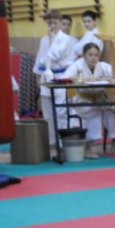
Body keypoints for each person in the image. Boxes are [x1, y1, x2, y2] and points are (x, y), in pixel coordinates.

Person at [62, 42, 115, 159]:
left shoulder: (103, 66)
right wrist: (83, 78)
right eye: (90, 55)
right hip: (83, 100)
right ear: (84, 55)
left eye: (96, 55)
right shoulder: (78, 65)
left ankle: (114, 140)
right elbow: (65, 77)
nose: (93, 58)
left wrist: (105, 78)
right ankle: (88, 147)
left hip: (101, 98)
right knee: (95, 113)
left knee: (110, 112)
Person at [33, 8, 76, 146]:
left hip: (62, 76)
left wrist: (52, 40)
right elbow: (40, 59)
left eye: (55, 22)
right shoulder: (44, 40)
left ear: (60, 22)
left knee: (61, 111)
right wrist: (38, 76)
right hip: (46, 76)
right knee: (48, 113)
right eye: (49, 23)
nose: (52, 25)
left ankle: (63, 142)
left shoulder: (66, 39)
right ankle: (52, 140)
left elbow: (53, 55)